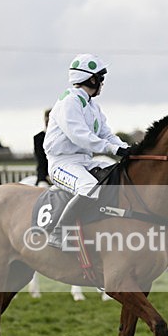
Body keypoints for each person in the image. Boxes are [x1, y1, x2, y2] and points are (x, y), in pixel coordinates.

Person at [44, 53, 129, 247]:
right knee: (89, 188)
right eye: (101, 77)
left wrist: (128, 149)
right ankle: (58, 232)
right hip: (62, 163)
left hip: (85, 161)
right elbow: (80, 136)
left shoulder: (93, 106)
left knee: (118, 174)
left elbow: (107, 134)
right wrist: (113, 149)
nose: (102, 82)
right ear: (91, 79)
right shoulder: (69, 102)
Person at [33, 109, 51, 187]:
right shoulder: (38, 137)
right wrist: (45, 176)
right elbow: (41, 160)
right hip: (45, 176)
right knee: (43, 187)